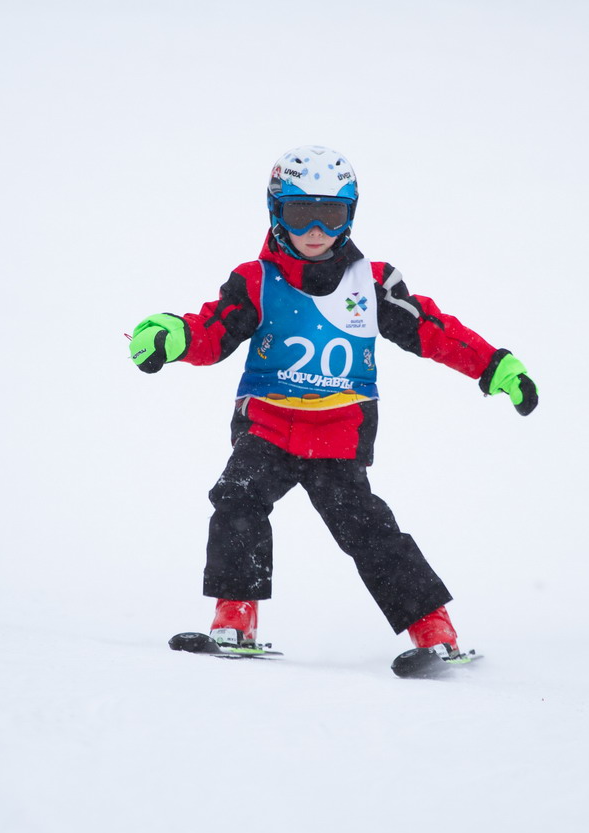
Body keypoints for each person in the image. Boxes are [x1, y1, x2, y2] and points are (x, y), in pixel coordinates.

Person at [129, 145, 537, 658]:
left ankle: (434, 630)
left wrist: (494, 366)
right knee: (237, 500)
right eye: (301, 213)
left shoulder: (372, 283)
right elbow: (212, 331)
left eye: (333, 214)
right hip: (268, 428)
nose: (316, 229)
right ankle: (235, 616)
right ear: (276, 212)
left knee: (368, 530)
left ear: (351, 215)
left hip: (338, 438)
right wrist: (174, 336)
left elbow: (433, 330)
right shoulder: (256, 282)